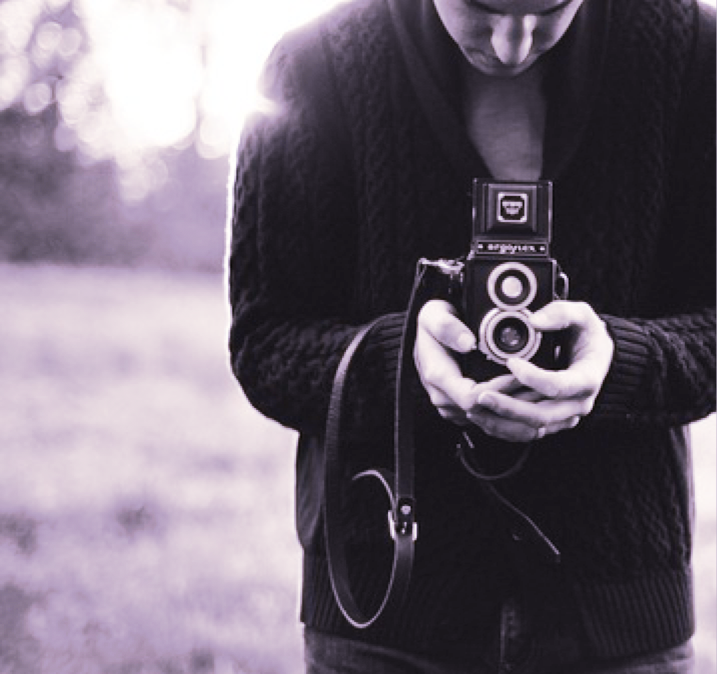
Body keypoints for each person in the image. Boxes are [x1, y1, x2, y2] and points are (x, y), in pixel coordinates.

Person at [227, 0, 716, 671]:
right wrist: (403, 364)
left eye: (551, 9)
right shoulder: (315, 64)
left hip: (618, 610)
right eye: (480, 8)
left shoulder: (696, 54)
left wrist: (617, 365)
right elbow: (265, 338)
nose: (513, 44)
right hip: (384, 615)